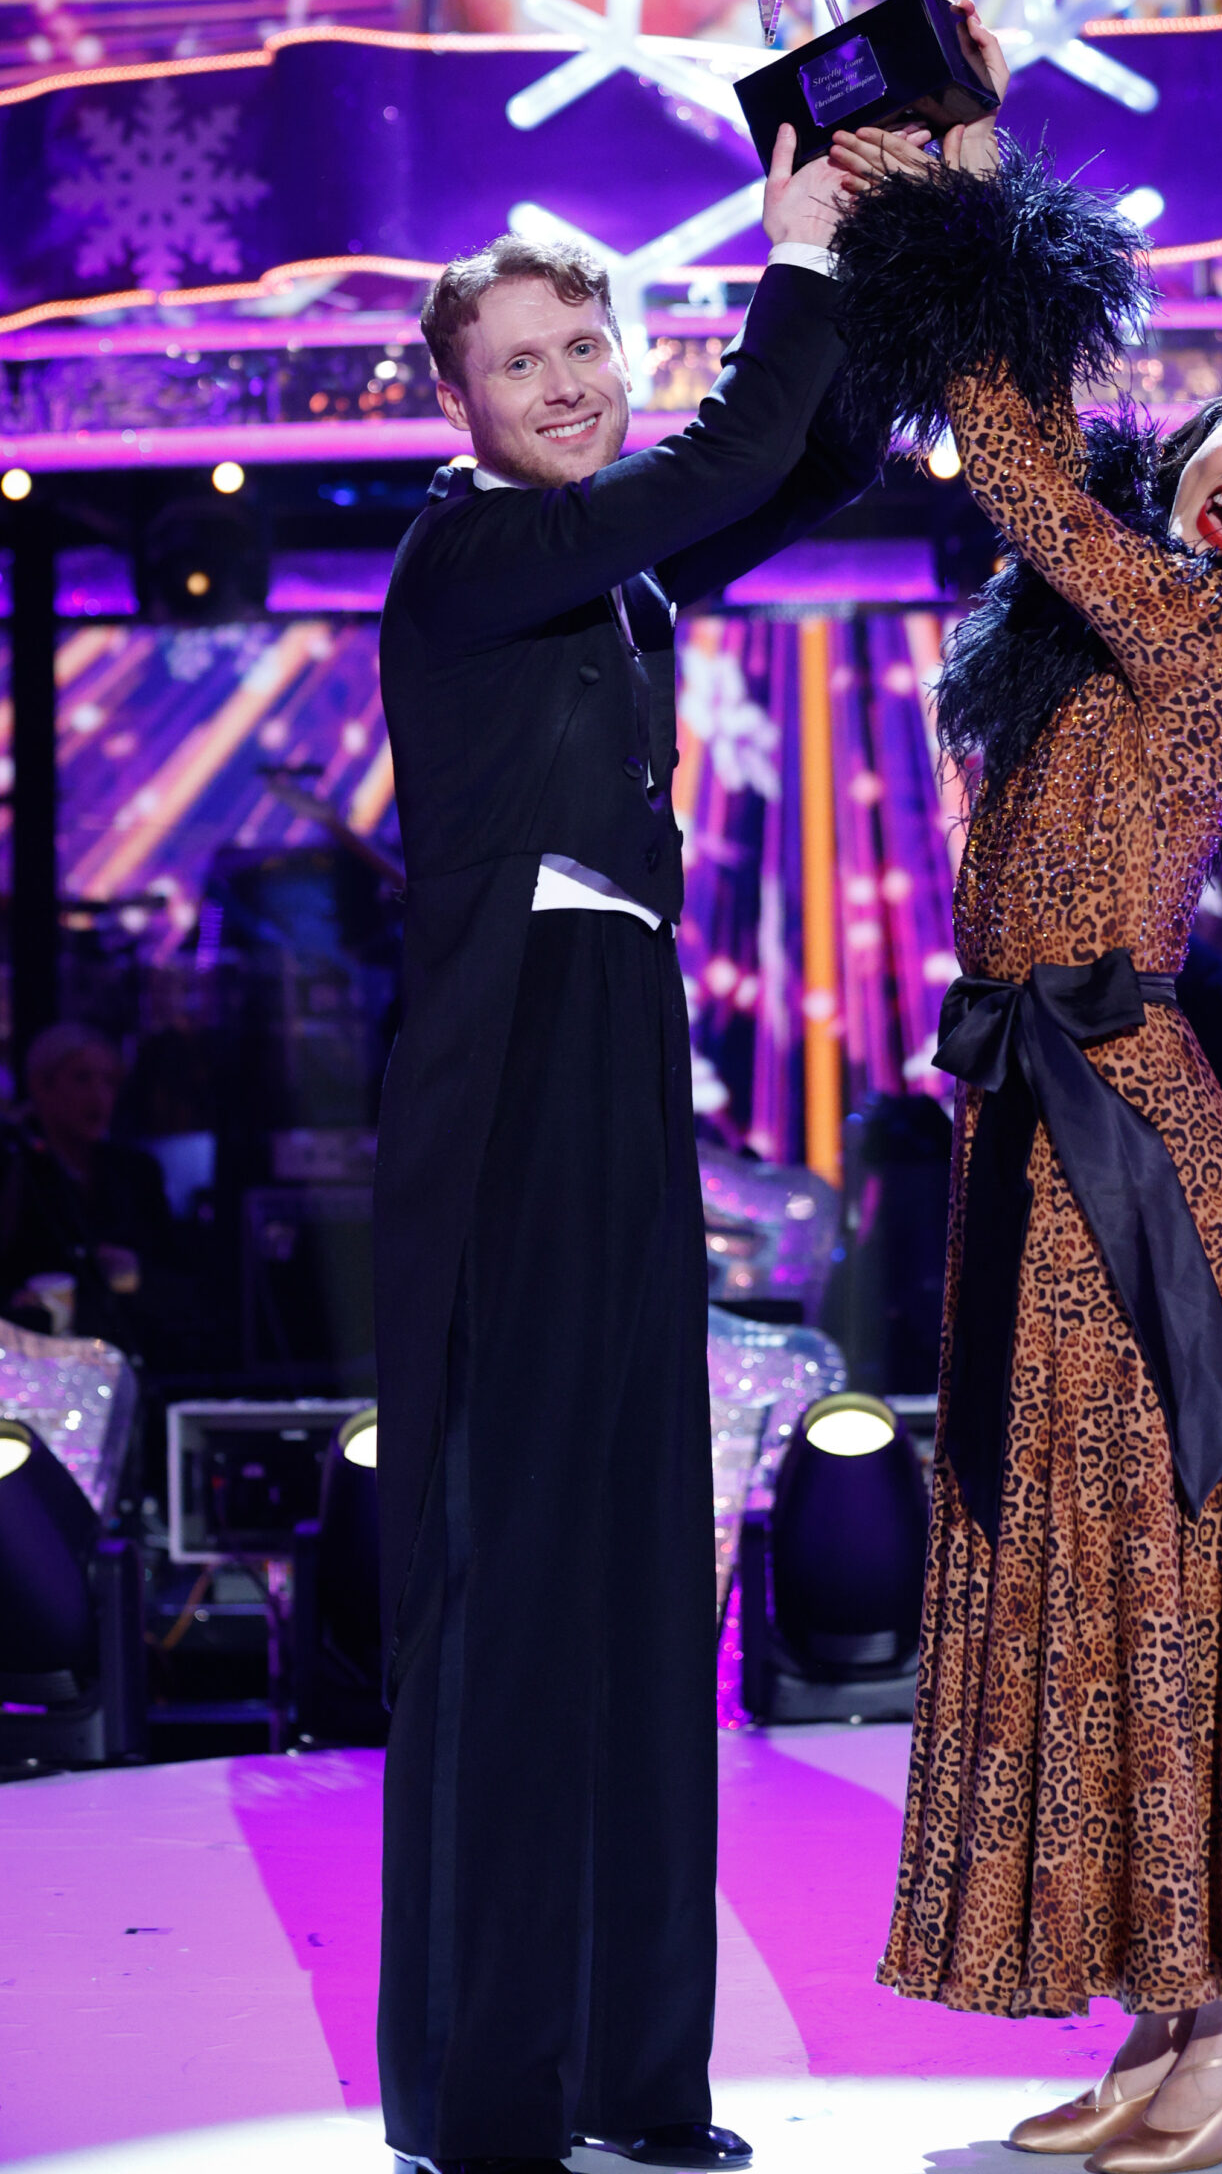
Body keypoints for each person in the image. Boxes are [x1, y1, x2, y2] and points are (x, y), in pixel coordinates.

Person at [827, 17, 1222, 2173]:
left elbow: (1004, 445)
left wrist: (967, 195)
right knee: (1090, 1558)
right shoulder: (1120, 613)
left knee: (1147, 1560)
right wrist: (959, 153)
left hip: (1115, 1144)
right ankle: (1179, 2013)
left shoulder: (1211, 640)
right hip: (1038, 1123)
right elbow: (1049, 452)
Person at [374, 125, 886, 2174]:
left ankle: (628, 2077)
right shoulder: (466, 552)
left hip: (608, 1051)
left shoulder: (606, 561)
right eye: (521, 357)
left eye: (582, 335)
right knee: (514, 1582)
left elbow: (791, 465)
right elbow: (709, 466)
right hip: (502, 1087)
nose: (566, 375)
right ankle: (496, 2095)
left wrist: (893, 249)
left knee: (632, 1577)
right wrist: (789, 247)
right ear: (457, 400)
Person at [0, 1021, 175, 1347]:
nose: (98, 1096)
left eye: (109, 1082)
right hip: (29, 1363)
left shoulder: (137, 1173)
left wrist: (137, 1275)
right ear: (41, 1086)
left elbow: (182, 1285)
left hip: (126, 1356)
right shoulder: (12, 1167)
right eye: (82, 1079)